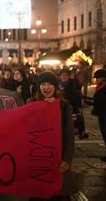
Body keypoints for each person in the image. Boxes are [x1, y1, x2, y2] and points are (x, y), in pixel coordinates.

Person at [28, 71, 76, 200]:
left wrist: (67, 159)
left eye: (50, 84)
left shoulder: (64, 106)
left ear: (55, 87)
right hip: (38, 157)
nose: (46, 87)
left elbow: (69, 135)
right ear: (39, 87)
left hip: (58, 156)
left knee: (59, 193)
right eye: (43, 84)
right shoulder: (31, 104)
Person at [58, 69, 88, 139]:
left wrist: (79, 106)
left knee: (71, 123)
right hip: (60, 107)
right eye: (63, 75)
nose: (64, 77)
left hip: (71, 106)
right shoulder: (57, 84)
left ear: (69, 76)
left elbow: (77, 95)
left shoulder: (73, 83)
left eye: (66, 75)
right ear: (60, 76)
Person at [92, 69, 106, 162]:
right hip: (102, 113)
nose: (96, 80)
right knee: (104, 133)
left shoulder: (105, 88)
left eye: (98, 78)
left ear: (104, 78)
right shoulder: (99, 87)